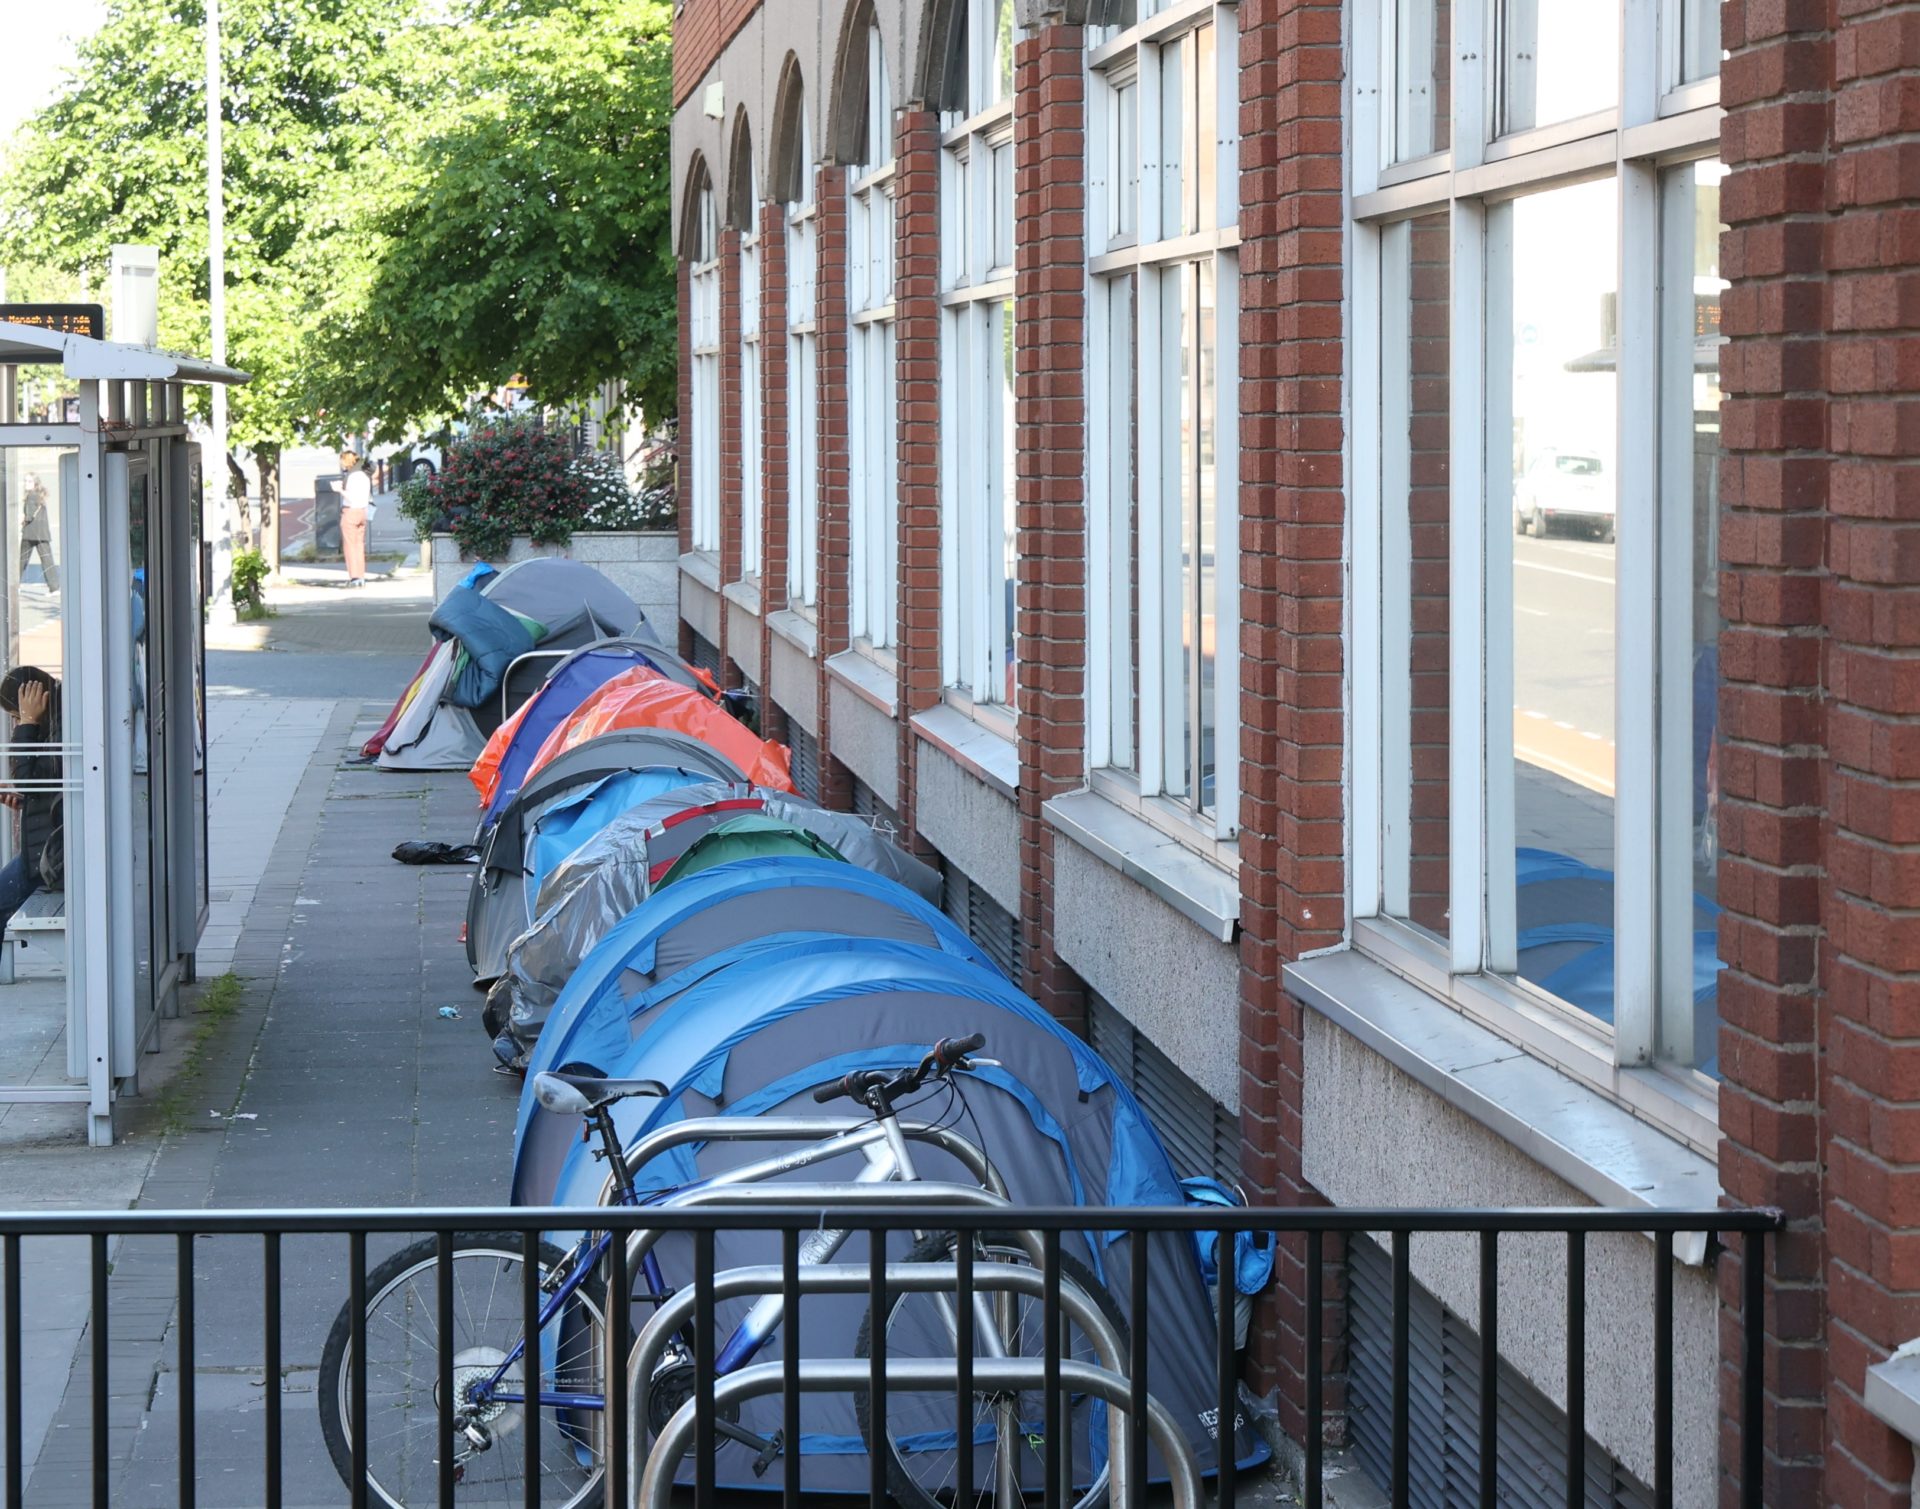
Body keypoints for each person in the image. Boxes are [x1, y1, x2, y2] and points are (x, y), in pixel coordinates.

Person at [0, 667, 62, 938]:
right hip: (48, 850)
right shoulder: (55, 728)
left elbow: (27, 779)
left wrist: (28, 723)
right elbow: (47, 786)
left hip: (52, 857)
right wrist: (26, 802)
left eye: (16, 716)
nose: (17, 723)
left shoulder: (57, 732)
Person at [338, 448, 371, 587]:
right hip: (362, 512)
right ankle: (361, 576)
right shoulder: (364, 475)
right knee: (359, 546)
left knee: (350, 546)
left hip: (351, 512)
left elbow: (351, 497)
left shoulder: (352, 477)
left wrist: (339, 490)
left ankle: (354, 577)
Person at [19, 476, 57, 594]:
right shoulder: (40, 496)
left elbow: (29, 516)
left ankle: (14, 585)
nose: (26, 483)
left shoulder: (31, 496)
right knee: (47, 560)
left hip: (30, 534)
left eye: (29, 481)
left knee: (21, 560)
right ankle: (54, 587)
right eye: (25, 480)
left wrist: (22, 520)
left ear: (35, 483)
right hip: (42, 534)